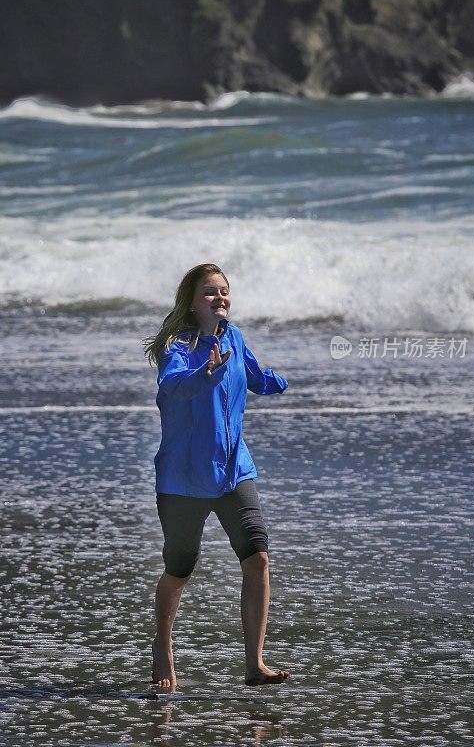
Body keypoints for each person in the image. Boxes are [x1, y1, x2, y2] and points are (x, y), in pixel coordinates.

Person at [143, 263, 290, 688]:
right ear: (191, 301)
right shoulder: (178, 345)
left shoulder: (234, 336)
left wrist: (276, 381)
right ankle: (163, 644)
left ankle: (254, 663)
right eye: (210, 292)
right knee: (180, 568)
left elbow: (253, 374)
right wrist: (203, 374)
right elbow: (171, 386)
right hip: (183, 480)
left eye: (224, 291)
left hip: (232, 472)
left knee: (257, 556)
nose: (220, 298)